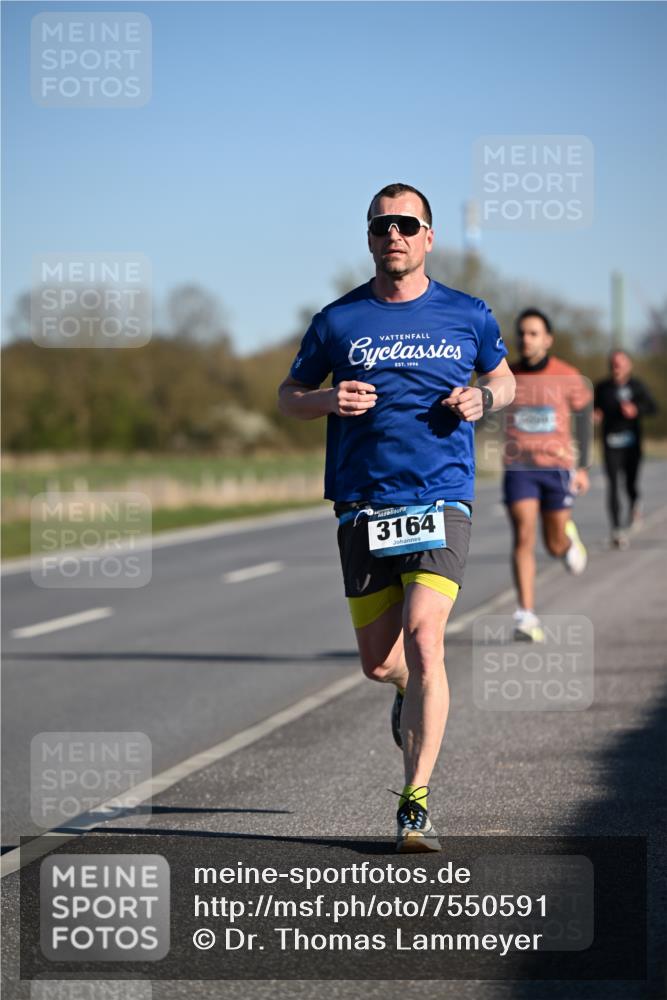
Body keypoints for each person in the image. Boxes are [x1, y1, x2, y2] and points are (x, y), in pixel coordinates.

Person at [278, 183, 515, 851]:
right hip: (362, 505)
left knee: (425, 637)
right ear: (369, 237)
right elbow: (288, 396)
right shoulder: (337, 320)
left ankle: (414, 804)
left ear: (428, 237)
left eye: (407, 224)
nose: (395, 235)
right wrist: (327, 400)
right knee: (381, 664)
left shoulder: (467, 314)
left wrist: (482, 398)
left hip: (441, 499)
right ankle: (405, 690)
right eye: (382, 225)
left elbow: (505, 379)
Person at [502, 308, 592, 643]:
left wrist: (582, 467)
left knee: (553, 546)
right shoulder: (506, 376)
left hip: (556, 468)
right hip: (519, 468)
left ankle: (566, 538)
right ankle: (526, 614)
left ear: (548, 339)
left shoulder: (568, 376)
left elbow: (583, 419)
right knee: (523, 536)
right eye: (522, 333)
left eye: (534, 333)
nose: (526, 339)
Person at [594, 349, 657, 548]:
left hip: (632, 444)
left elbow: (654, 408)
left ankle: (634, 502)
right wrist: (595, 415)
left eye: (620, 363)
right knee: (612, 484)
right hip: (611, 443)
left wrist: (636, 410)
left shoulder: (637, 387)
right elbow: (594, 408)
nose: (617, 367)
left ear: (628, 366)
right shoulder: (602, 388)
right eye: (613, 364)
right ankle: (617, 530)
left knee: (630, 483)